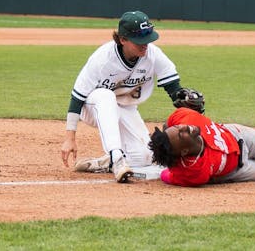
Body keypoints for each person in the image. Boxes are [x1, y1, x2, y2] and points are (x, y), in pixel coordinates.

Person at [61, 11, 191, 183]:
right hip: (93, 106)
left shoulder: (153, 54)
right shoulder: (103, 58)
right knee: (106, 96)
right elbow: (77, 97)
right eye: (140, 40)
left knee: (145, 156)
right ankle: (117, 158)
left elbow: (173, 88)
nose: (146, 44)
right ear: (123, 40)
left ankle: (106, 162)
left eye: (148, 38)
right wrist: (70, 139)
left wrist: (185, 101)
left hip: (125, 107)